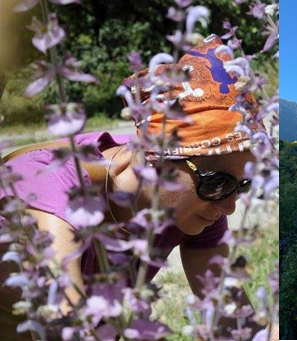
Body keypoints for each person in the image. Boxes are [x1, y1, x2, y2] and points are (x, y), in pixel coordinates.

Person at [0, 35, 275, 340]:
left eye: (242, 185)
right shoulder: (54, 189)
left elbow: (237, 329)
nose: (229, 206)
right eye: (217, 183)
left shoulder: (196, 207)